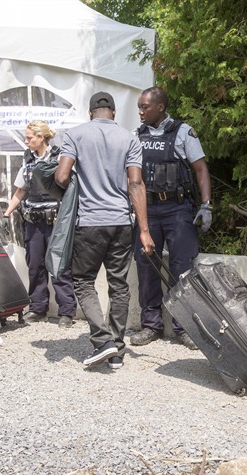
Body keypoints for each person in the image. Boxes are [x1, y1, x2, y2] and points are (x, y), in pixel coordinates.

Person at [55, 92, 155, 369]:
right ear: (113, 112)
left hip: (89, 222)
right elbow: (135, 184)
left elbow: (61, 176)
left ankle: (102, 341)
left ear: (90, 113)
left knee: (84, 281)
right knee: (119, 284)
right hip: (121, 222)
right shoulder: (129, 138)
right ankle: (118, 350)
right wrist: (144, 230)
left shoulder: (75, 135)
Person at [130, 86, 212, 350]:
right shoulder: (136, 136)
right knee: (147, 267)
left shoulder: (183, 132)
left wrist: (207, 205)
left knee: (182, 268)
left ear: (160, 107)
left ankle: (184, 327)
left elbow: (200, 169)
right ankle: (150, 325)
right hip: (148, 210)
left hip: (177, 209)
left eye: (145, 107)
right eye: (139, 107)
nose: (140, 111)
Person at [3, 121, 77, 328]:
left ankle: (66, 312)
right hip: (33, 221)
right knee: (35, 266)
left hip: (55, 222)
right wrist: (7, 213)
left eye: (29, 138)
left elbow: (69, 188)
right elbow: (21, 190)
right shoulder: (27, 160)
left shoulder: (59, 158)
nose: (26, 141)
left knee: (59, 266)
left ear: (41, 137)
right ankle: (37, 308)